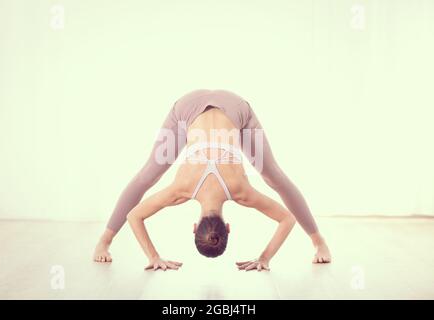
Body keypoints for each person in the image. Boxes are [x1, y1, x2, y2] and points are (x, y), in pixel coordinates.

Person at [93, 89, 331, 270]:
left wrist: (264, 259)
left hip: (229, 108)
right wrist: (153, 257)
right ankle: (318, 241)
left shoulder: (240, 191)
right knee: (274, 176)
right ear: (194, 227)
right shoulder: (181, 189)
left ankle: (104, 241)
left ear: (228, 227)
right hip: (193, 107)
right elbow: (134, 216)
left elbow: (286, 219)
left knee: (148, 175)